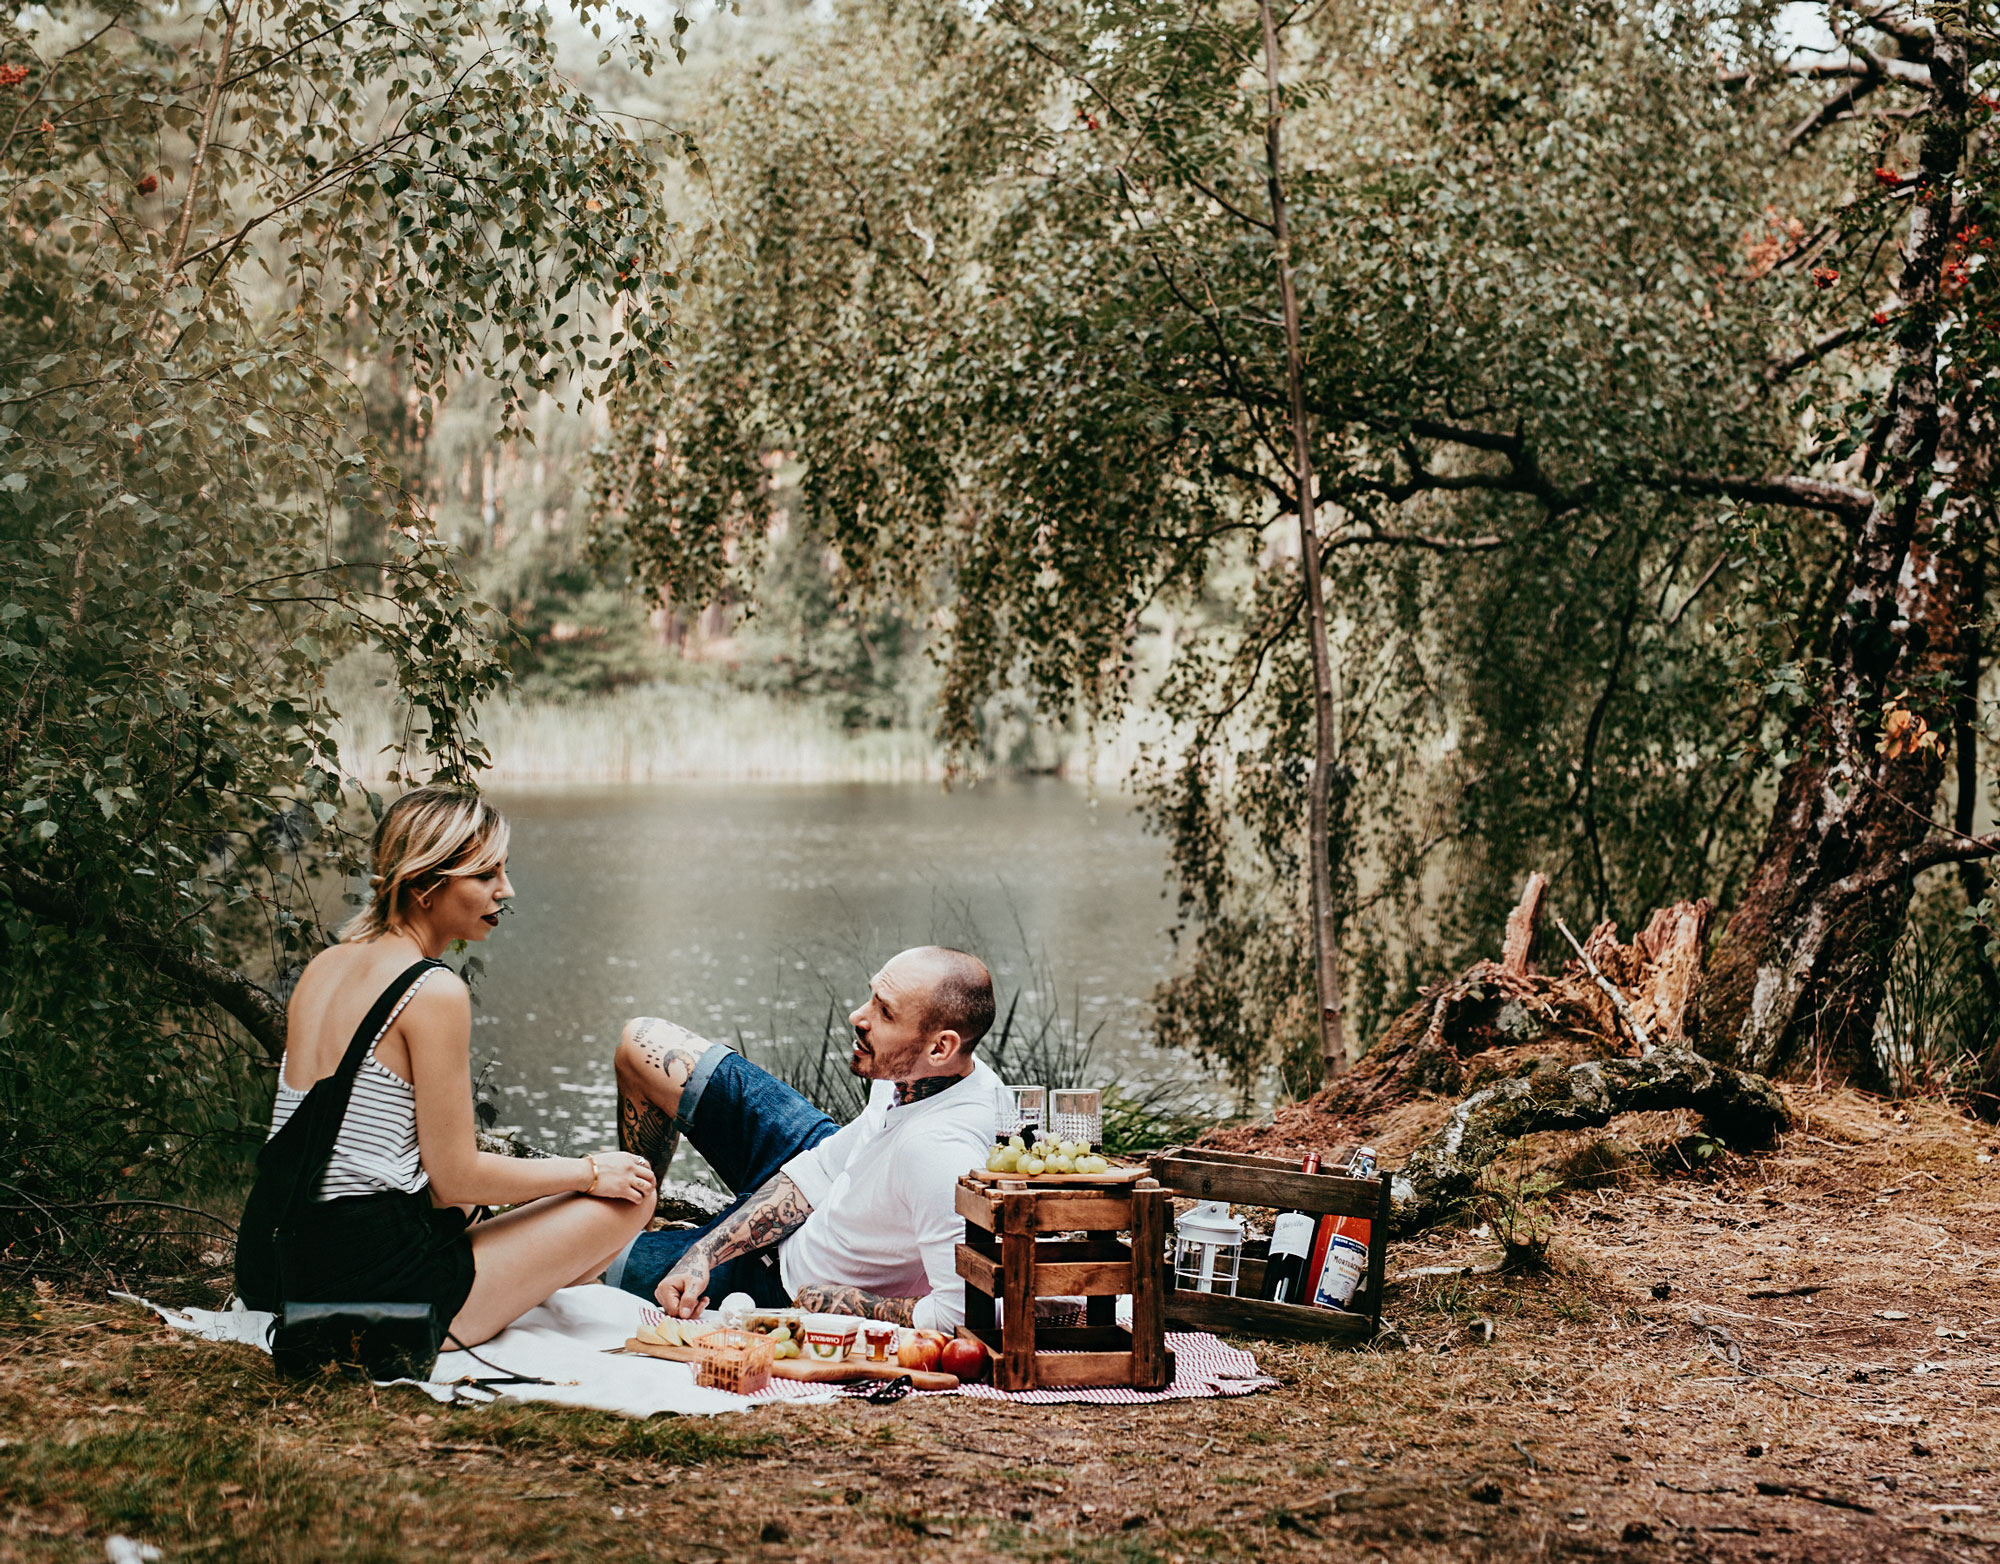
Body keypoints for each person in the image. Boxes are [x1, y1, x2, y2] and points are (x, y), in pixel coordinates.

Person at [251, 787, 657, 1347]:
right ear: (423, 885)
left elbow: (367, 1160)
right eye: (485, 875)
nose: (505, 891)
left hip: (287, 1262)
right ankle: (494, 1295)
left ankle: (511, 1281)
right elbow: (455, 1177)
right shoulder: (431, 989)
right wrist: (589, 1171)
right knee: (632, 1195)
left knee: (472, 1207)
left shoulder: (325, 967)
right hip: (375, 1288)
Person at [606, 946, 1000, 1328]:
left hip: (782, 1282)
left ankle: (634, 1240)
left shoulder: (938, 1153)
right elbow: (822, 1169)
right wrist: (703, 1253)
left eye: (884, 1013)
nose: (857, 1016)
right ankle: (643, 1213)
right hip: (836, 1173)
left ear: (940, 1046)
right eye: (872, 997)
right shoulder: (916, 1071)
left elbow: (963, 1313)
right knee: (644, 1043)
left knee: (584, 1260)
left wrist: (836, 1302)